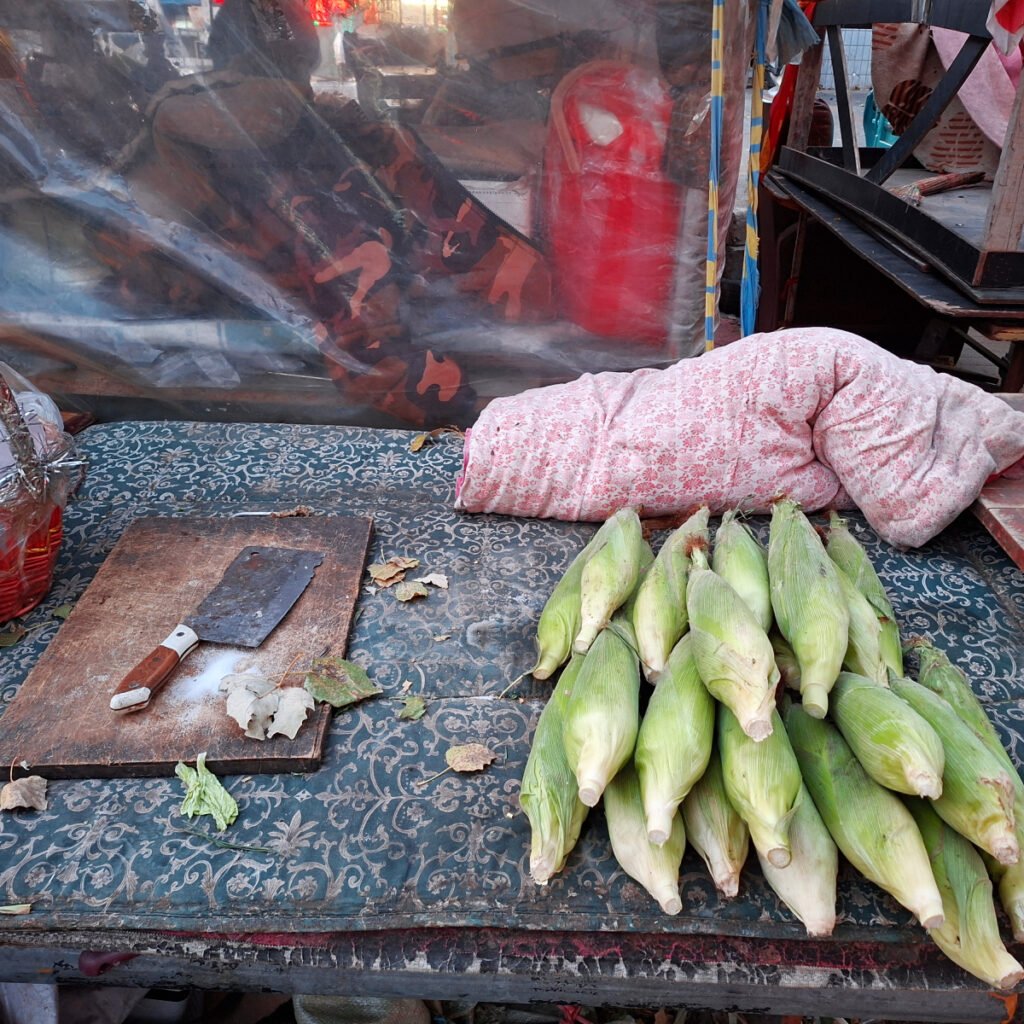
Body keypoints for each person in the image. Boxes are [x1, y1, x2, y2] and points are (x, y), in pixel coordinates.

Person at [92, 0, 554, 426]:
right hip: (215, 336)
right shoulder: (280, 174)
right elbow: (370, 346)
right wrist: (492, 416)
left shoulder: (323, 145)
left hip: (226, 322)